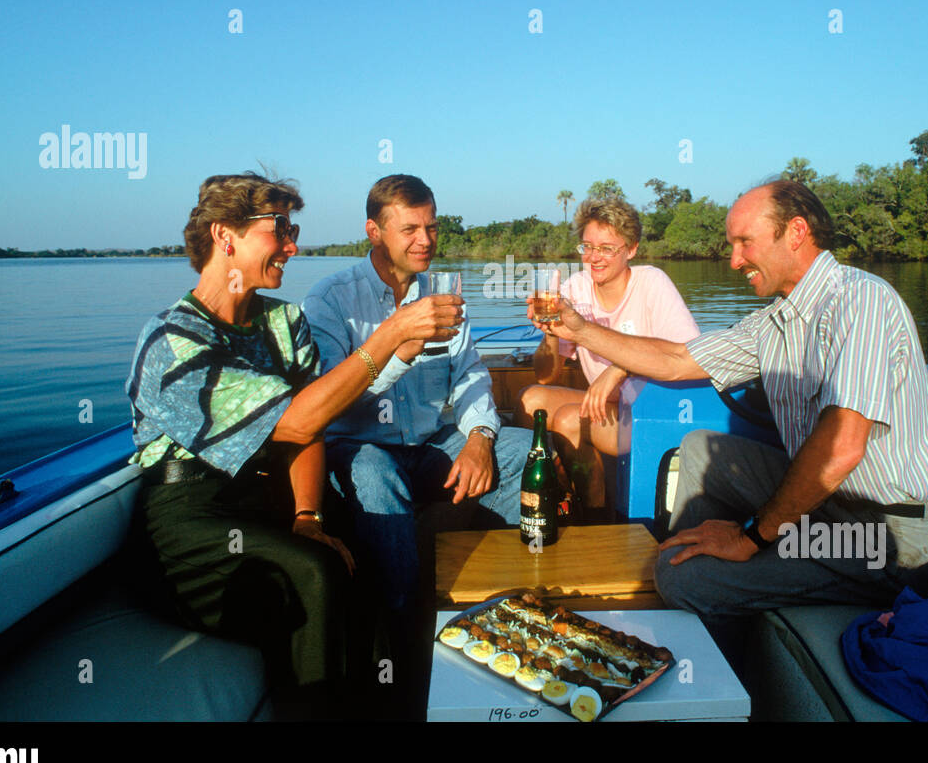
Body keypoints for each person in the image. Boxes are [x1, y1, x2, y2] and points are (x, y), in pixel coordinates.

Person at [531, 180, 928, 635]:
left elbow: (841, 449)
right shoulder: (775, 322)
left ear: (795, 232)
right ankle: (686, 549)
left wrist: (750, 538)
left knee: (681, 577)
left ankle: (701, 624)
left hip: (884, 536)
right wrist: (577, 328)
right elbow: (676, 360)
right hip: (827, 505)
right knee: (698, 447)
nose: (733, 261)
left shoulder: (860, 301)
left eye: (744, 242)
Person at [125, 172, 459, 715]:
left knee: (364, 552)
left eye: (292, 228)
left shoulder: (284, 323)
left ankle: (399, 702)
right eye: (278, 229)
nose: (292, 246)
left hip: (270, 499)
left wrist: (309, 514)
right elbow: (297, 420)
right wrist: (391, 336)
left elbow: (312, 429)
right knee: (311, 572)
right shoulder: (172, 341)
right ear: (225, 236)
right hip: (191, 518)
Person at [302, 174, 527, 619]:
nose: (425, 240)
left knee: (522, 450)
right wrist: (398, 347)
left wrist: (481, 437)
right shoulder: (331, 300)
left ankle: (509, 594)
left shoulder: (442, 293)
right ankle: (404, 619)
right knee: (372, 470)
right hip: (358, 446)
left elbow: (470, 373)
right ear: (374, 231)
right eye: (410, 229)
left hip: (427, 445)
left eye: (432, 227)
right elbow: (326, 400)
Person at [516, 198, 699, 517]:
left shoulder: (652, 283)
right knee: (529, 401)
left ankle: (598, 520)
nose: (593, 258)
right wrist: (550, 330)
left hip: (653, 408)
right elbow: (546, 377)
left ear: (631, 249)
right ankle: (565, 493)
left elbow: (692, 354)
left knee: (571, 420)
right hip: (605, 406)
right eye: (587, 247)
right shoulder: (575, 288)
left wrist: (619, 368)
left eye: (606, 248)